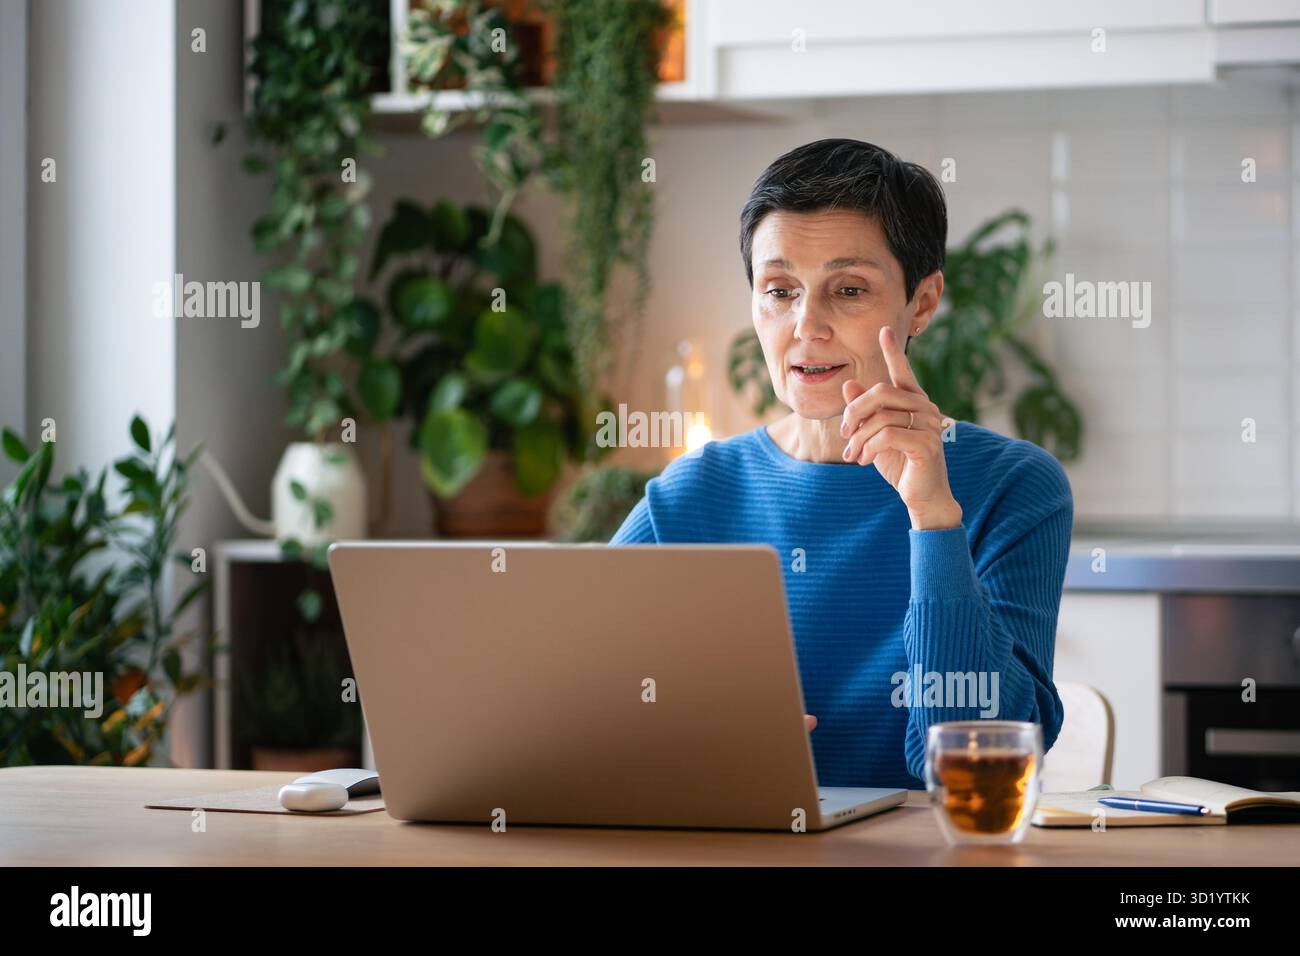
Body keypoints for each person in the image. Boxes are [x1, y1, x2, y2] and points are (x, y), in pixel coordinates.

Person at [610, 138, 1072, 790]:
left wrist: (933, 518)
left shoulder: (1014, 486)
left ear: (922, 302)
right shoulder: (689, 496)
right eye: (779, 290)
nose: (806, 325)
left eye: (848, 289)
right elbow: (575, 698)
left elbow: (970, 770)